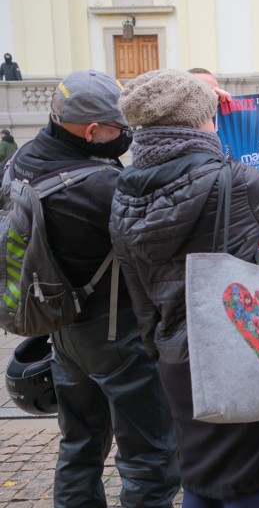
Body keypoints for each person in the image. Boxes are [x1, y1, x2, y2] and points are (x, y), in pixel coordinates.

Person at [109, 68, 259, 508]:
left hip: (178, 354)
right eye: (210, 116)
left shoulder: (126, 189)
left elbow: (139, 281)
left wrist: (160, 348)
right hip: (241, 349)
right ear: (196, 121)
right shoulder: (225, 177)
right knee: (246, 480)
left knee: (203, 479)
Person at [5, 70, 180, 507]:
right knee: (150, 458)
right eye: (121, 129)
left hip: (63, 330)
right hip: (117, 336)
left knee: (80, 445)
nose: (127, 136)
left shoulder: (23, 159)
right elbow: (162, 241)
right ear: (92, 131)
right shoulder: (101, 187)